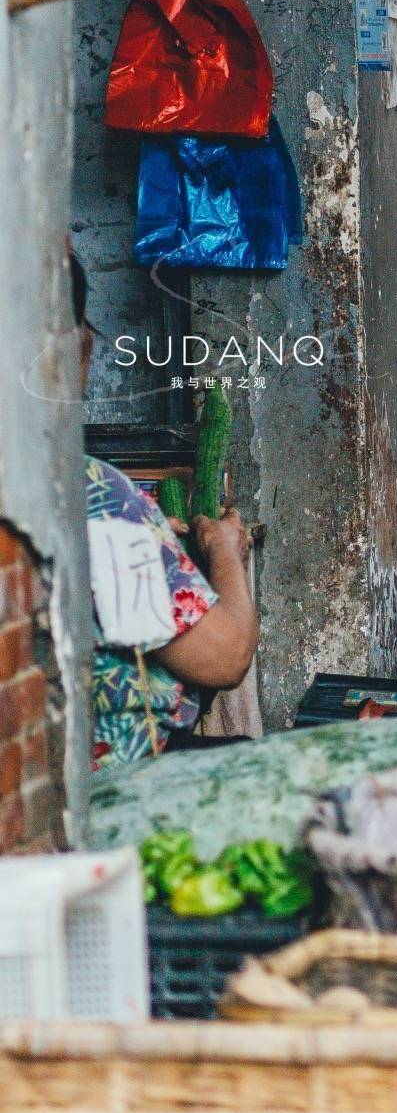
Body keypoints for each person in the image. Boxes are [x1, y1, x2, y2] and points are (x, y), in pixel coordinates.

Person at [73, 255, 258, 766]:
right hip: (115, 775)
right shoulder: (94, 498)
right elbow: (224, 658)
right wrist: (225, 552)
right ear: (76, 348)